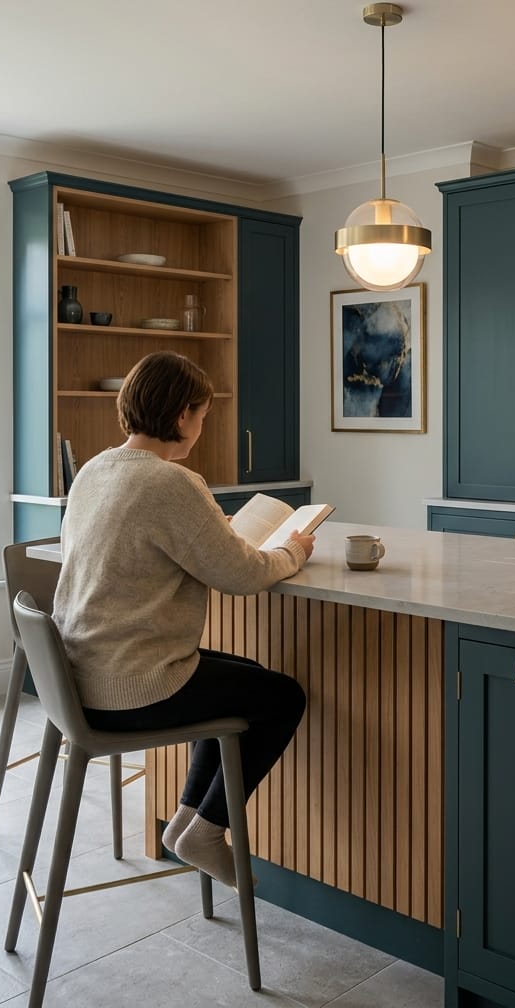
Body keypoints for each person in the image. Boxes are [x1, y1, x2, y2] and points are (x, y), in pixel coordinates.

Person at [52, 350, 313, 886]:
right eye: (201, 415)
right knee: (283, 696)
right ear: (180, 417)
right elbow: (242, 575)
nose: (200, 427)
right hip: (129, 690)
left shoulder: (95, 470)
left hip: (78, 678)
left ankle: (189, 822)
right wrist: (293, 552)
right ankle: (207, 828)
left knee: (235, 676)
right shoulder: (171, 482)